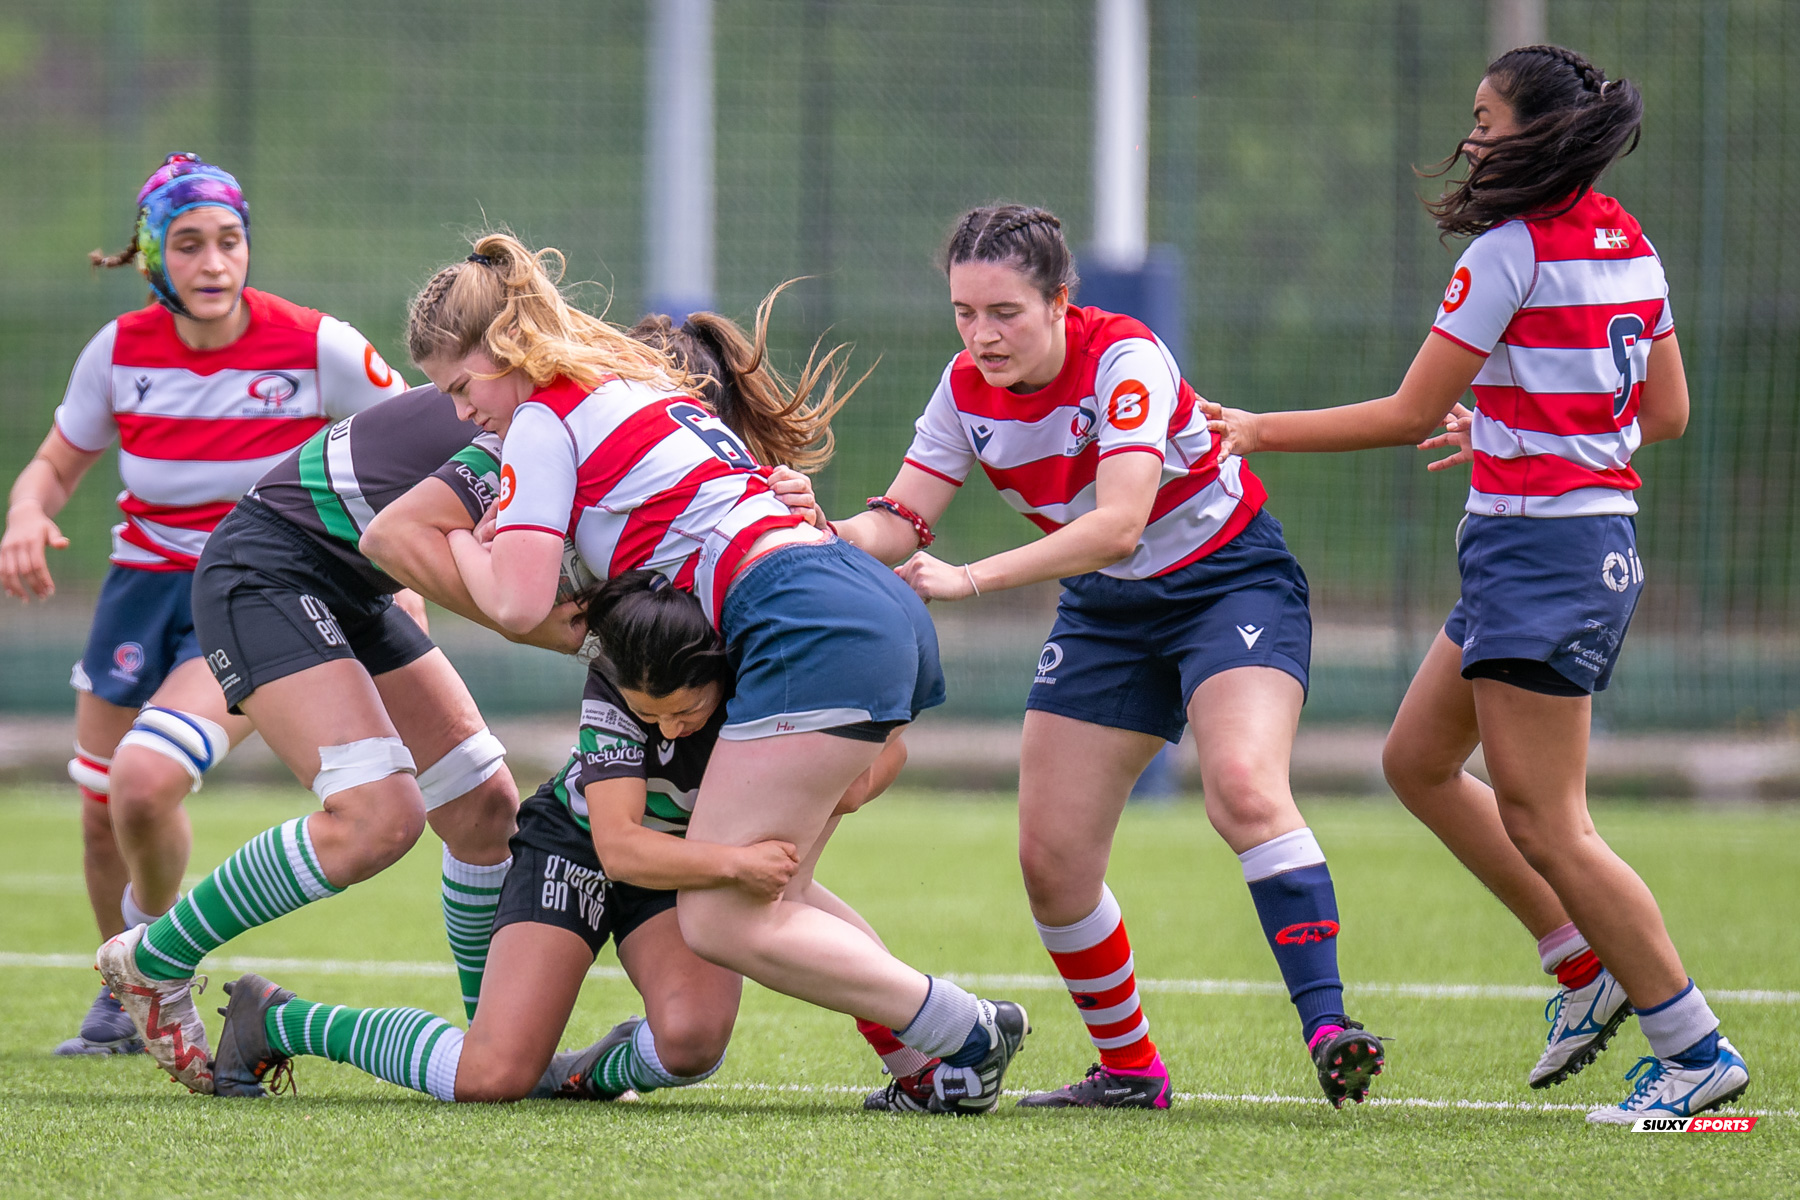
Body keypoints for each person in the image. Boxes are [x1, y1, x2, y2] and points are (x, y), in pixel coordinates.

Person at [1203, 45, 1749, 1124]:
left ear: (1537, 131)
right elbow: (1667, 412)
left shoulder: (1510, 251)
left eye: (1486, 119)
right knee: (1417, 761)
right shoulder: (1630, 240)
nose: (1472, 138)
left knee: (1551, 822)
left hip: (1540, 557)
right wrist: (1517, 427)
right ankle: (1581, 964)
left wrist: (1258, 429)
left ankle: (1693, 1048)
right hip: (1574, 544)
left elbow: (1409, 412)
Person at [413, 234, 1030, 1115]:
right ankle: (934, 1067)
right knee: (783, 891)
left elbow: (516, 604)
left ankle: (965, 1030)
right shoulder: (633, 385)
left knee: (718, 917)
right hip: (862, 597)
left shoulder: (546, 417)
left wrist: (461, 545)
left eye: (460, 387)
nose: (462, 413)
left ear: (507, 347)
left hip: (800, 617)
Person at [821, 204, 1384, 1110]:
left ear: (1060, 301)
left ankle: (1329, 1026)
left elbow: (1120, 525)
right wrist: (826, 529)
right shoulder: (963, 388)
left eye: (1005, 312)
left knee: (1243, 786)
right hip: (1106, 613)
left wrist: (971, 578)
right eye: (964, 312)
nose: (981, 335)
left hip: (1228, 584)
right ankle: (1130, 1072)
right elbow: (903, 517)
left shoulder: (1125, 358)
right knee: (1052, 862)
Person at [208, 572, 921, 1104]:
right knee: (491, 1077)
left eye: (686, 712)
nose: (669, 730)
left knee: (692, 1044)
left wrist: (845, 787)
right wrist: (737, 863)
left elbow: (887, 749)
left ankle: (579, 1074)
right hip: (578, 848)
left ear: (719, 670)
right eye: (651, 716)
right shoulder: (614, 683)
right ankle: (280, 1020)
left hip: (681, 866)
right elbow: (621, 849)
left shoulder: (763, 684)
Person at [0, 152, 405, 1055]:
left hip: (256, 595)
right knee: (103, 810)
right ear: (153, 257)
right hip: (139, 595)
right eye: (188, 244)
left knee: (146, 782)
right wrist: (26, 514)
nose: (214, 262)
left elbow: (417, 451)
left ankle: (152, 959)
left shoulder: (318, 346)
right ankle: (122, 996)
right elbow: (53, 465)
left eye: (229, 240)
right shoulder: (118, 352)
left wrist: (406, 573)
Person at [93, 381, 552, 1092]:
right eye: (449, 378)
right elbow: (509, 596)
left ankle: (495, 1044)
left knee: (486, 807)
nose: (458, 399)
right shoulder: (544, 421)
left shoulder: (576, 419)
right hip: (268, 572)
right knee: (378, 819)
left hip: (354, 584)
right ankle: (154, 958)